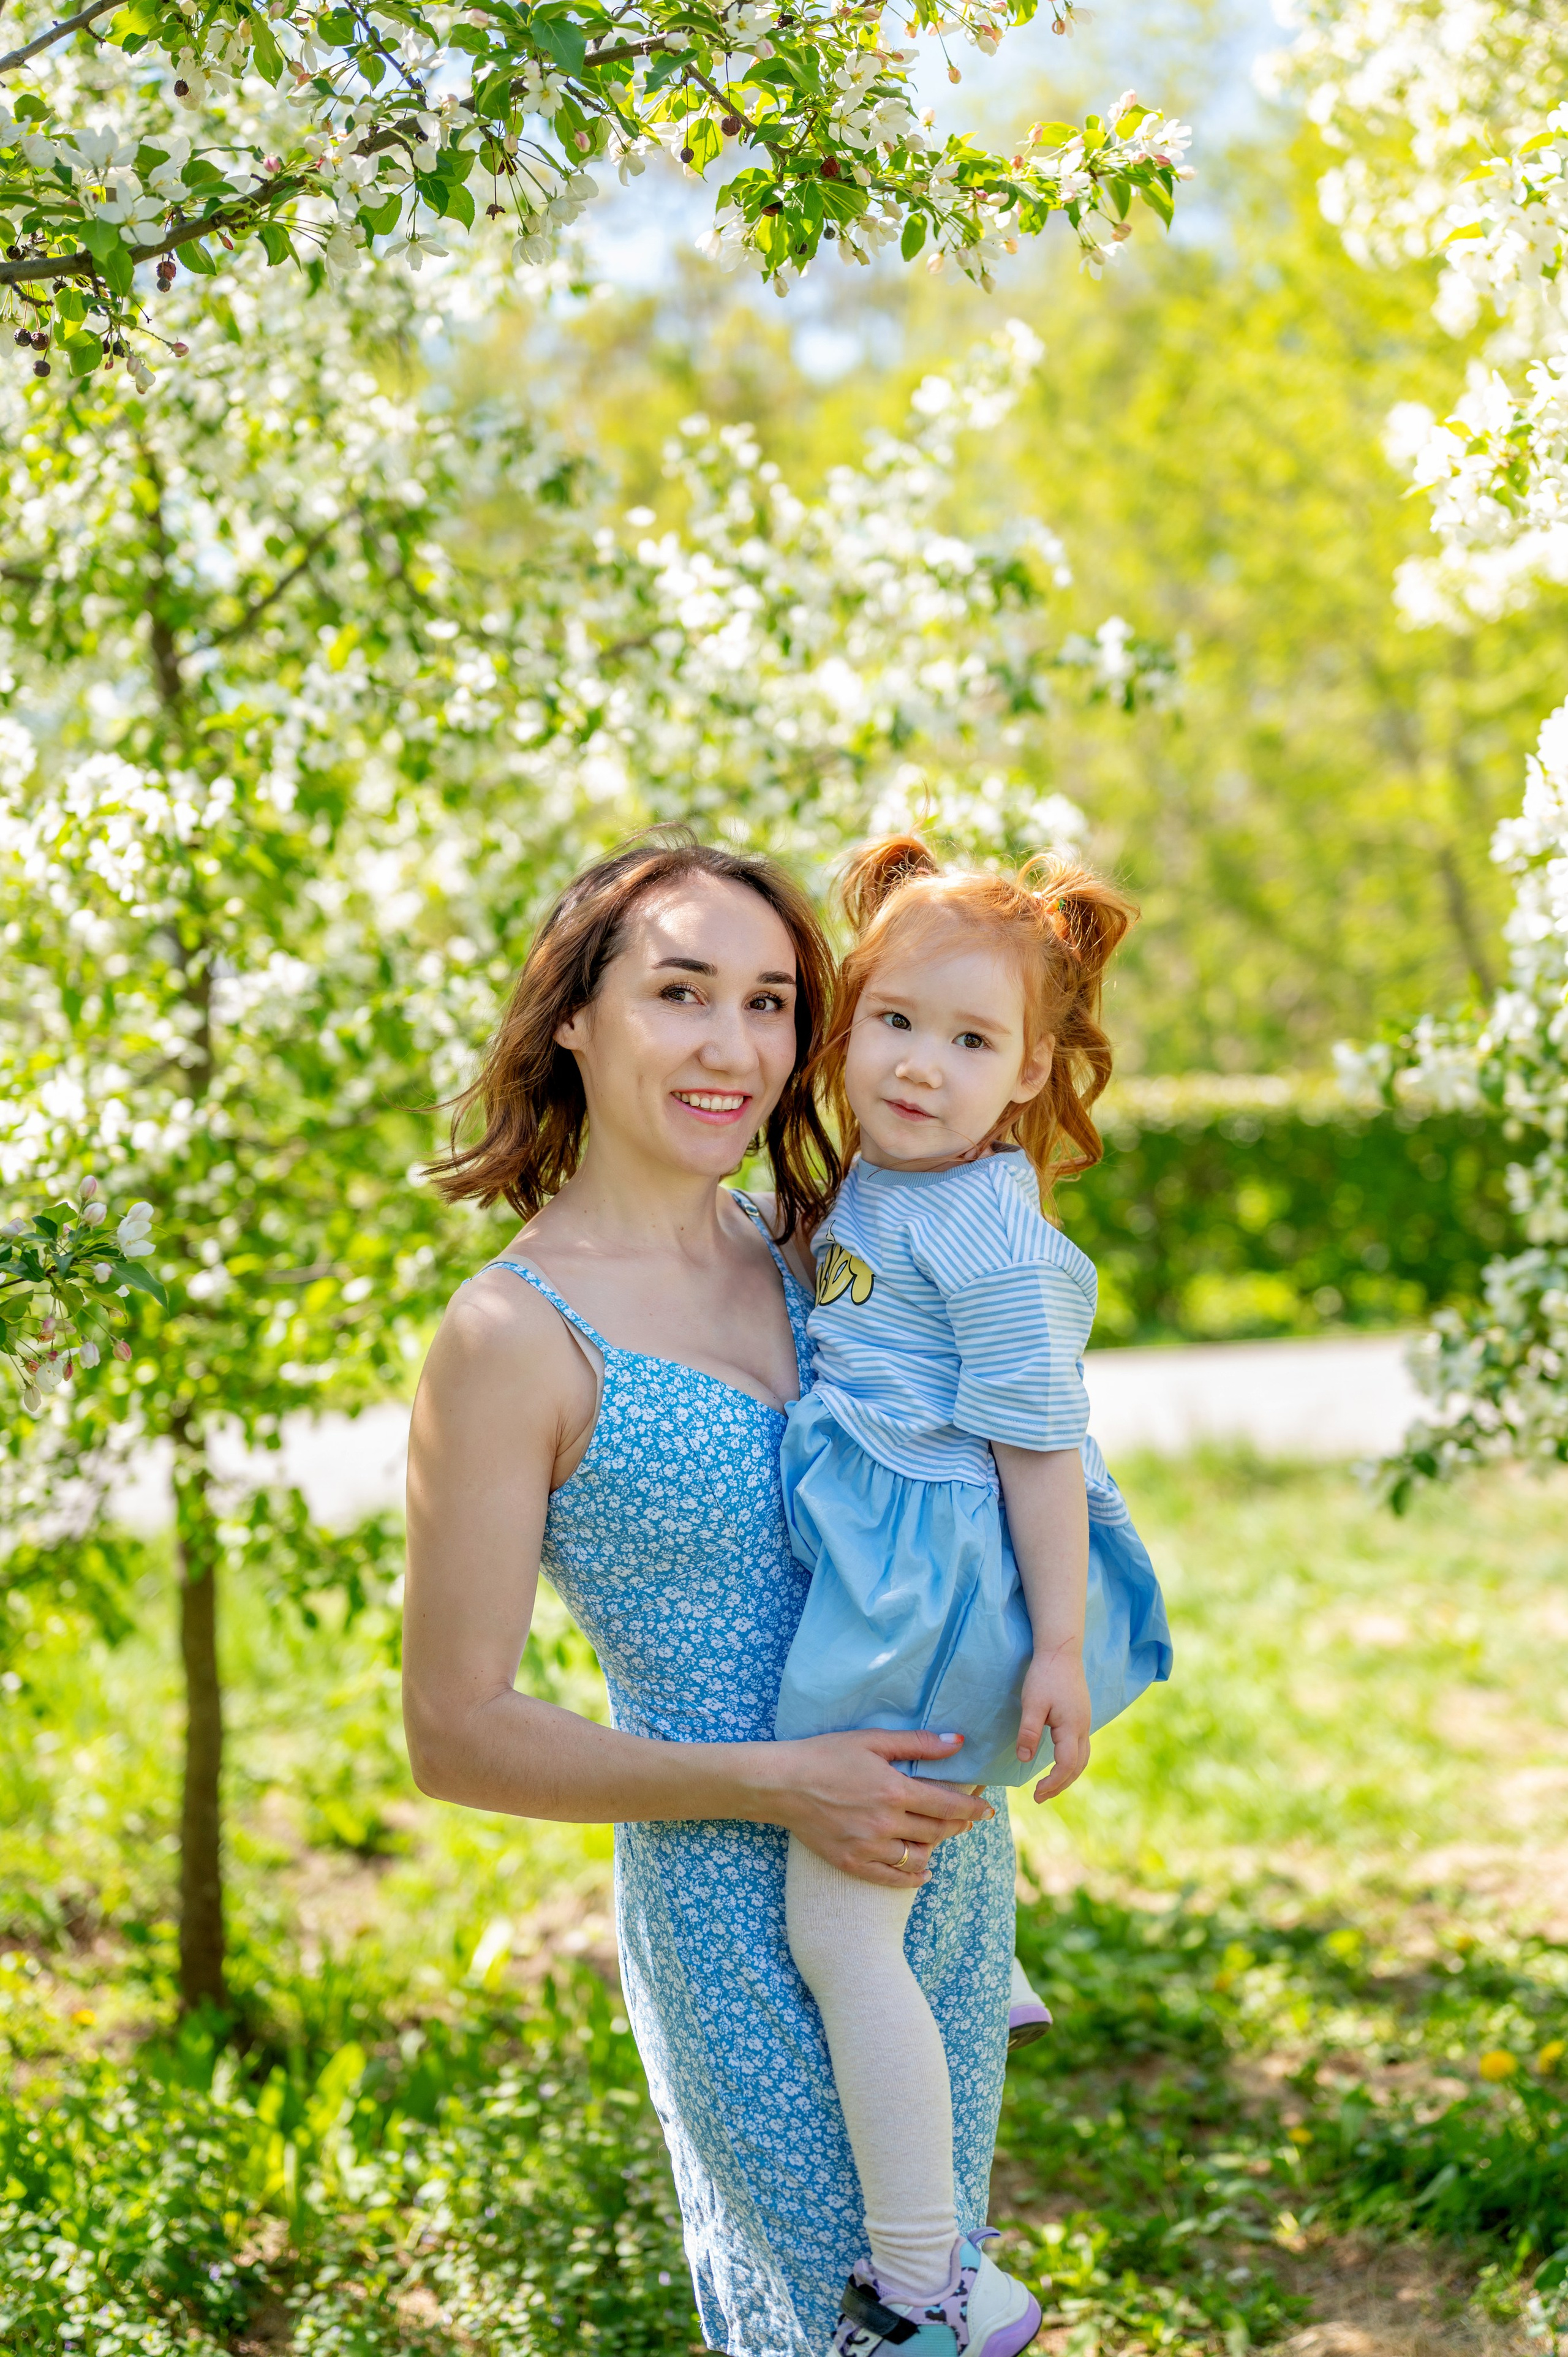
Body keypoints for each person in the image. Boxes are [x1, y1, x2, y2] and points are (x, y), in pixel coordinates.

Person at [399, 834, 1013, 2357]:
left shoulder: (822, 1247)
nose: (731, 1047)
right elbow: (453, 1730)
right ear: (573, 1015)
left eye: (768, 1002)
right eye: (679, 993)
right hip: (737, 1910)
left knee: (937, 2299)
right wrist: (776, 1782)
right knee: (830, 2324)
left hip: (932, 1868)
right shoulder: (509, 1336)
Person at [773, 835, 1173, 2357]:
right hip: (896, 1585)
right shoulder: (882, 1180)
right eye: (892, 1021)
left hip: (926, 1600)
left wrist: (1055, 1649)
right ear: (846, 1023)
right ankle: (969, 1940)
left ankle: (929, 2281)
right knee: (868, 1897)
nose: (917, 1066)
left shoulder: (991, 1227)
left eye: (966, 1041)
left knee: (836, 1934)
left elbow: (1041, 1446)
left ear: (1025, 1074)